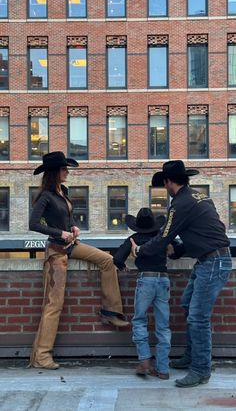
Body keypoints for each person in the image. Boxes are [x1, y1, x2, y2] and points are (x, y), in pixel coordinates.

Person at [130, 160, 232, 388]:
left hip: (213, 262)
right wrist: (178, 251)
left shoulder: (179, 204)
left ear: (168, 181)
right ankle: (191, 357)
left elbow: (164, 236)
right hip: (210, 259)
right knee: (188, 304)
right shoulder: (199, 197)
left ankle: (201, 370)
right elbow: (209, 231)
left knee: (198, 317)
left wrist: (140, 250)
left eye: (164, 183)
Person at [29, 151, 129, 370]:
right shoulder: (46, 195)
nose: (67, 172)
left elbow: (68, 216)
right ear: (55, 172)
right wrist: (59, 233)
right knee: (54, 305)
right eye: (64, 169)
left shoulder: (62, 192)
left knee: (108, 261)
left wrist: (73, 226)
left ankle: (111, 311)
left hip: (71, 246)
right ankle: (42, 356)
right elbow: (33, 224)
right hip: (56, 251)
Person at [113, 208, 171, 380]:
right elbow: (174, 252)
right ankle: (163, 369)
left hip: (146, 280)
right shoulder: (161, 237)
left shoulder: (134, 239)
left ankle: (145, 360)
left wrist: (125, 266)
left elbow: (117, 259)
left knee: (139, 320)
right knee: (163, 326)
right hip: (163, 280)